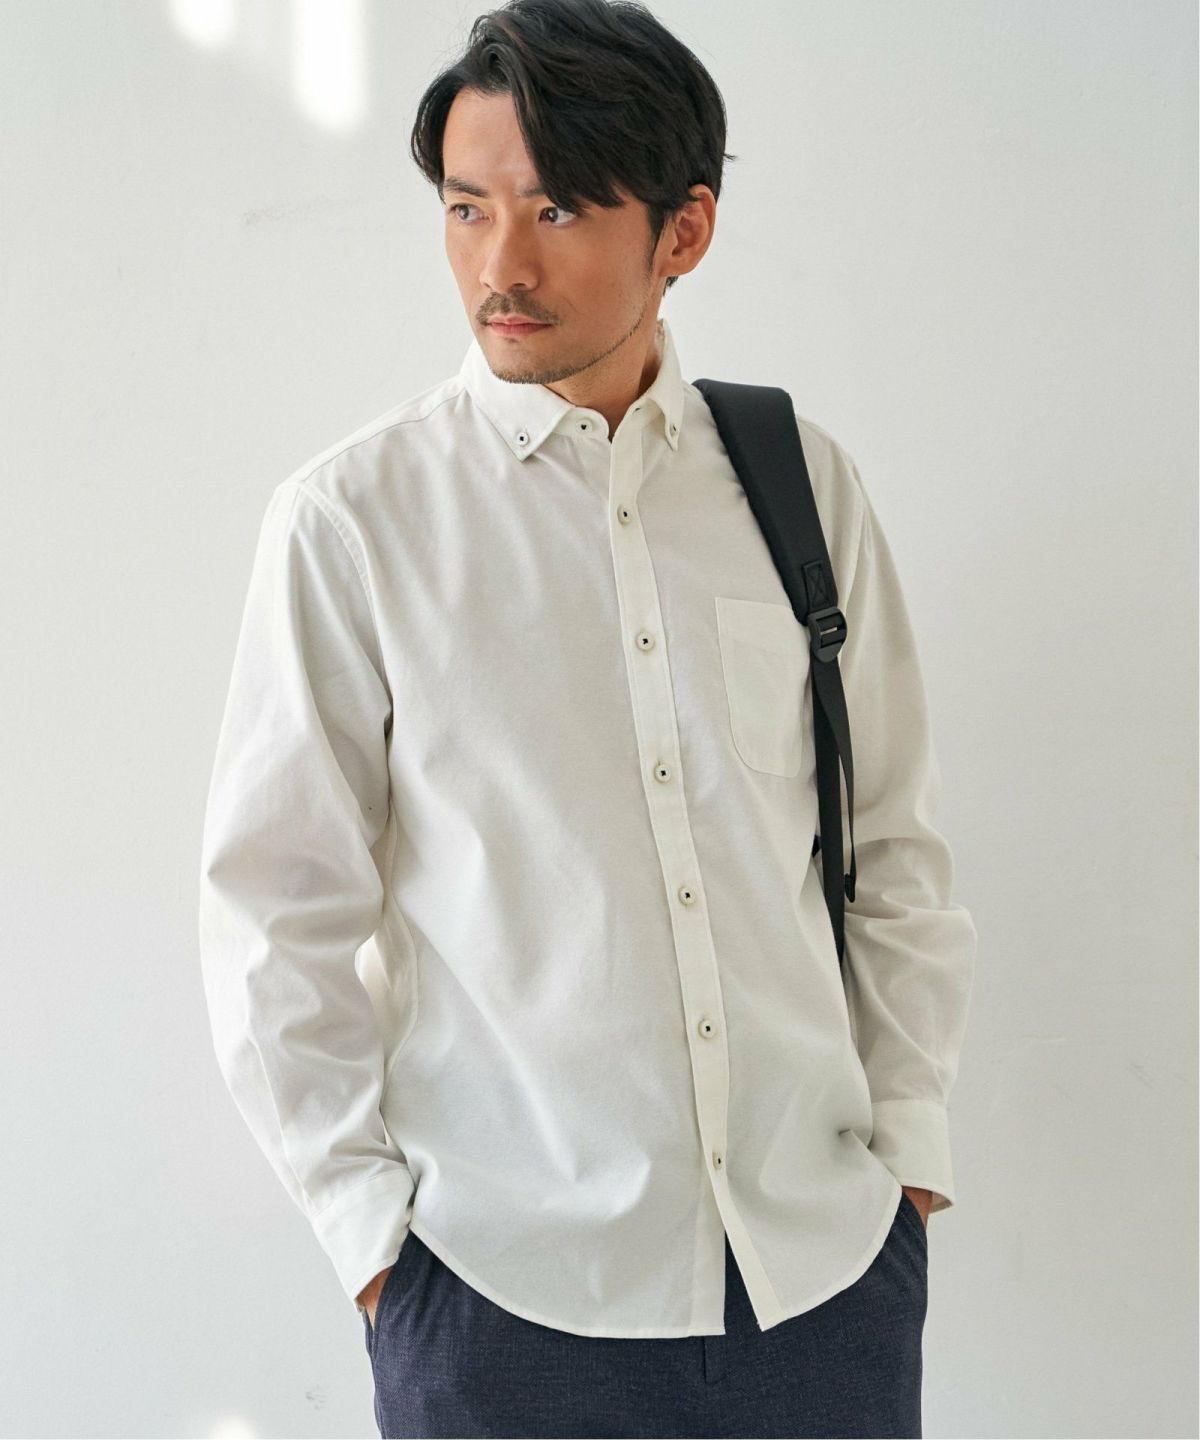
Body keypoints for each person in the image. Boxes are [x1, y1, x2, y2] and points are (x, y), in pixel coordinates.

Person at [198, 1, 977, 1435]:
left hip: (821, 1285)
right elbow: (273, 915)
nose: (500, 264)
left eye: (555, 208)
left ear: (685, 231)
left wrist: (907, 1164)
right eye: (467, 207)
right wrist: (377, 1253)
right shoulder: (355, 524)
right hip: (505, 1303)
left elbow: (892, 848)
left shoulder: (799, 486)